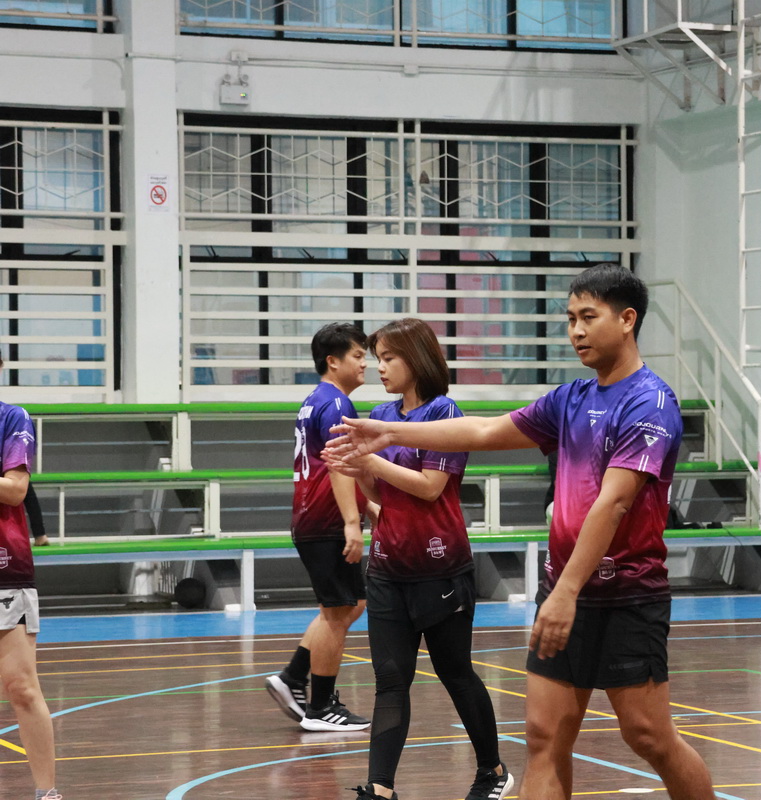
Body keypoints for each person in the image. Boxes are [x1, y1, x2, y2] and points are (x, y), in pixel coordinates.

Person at [325, 264, 717, 800]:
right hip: (562, 593)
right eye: (570, 319)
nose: (576, 331)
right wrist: (391, 431)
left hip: (625, 596)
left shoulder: (650, 402)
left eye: (588, 317)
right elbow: (486, 429)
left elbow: (615, 502)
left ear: (627, 320)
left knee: (648, 735)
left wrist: (566, 593)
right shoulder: (570, 398)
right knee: (544, 738)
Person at [329, 318, 513, 800]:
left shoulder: (443, 412)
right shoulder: (380, 414)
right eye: (378, 358)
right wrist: (357, 469)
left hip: (441, 570)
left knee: (456, 673)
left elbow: (431, 488)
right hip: (387, 570)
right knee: (390, 681)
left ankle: (492, 770)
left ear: (417, 358)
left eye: (389, 358)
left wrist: (372, 459)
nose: (380, 367)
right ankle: (381, 788)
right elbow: (380, 495)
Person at [265, 322, 371, 732]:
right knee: (337, 612)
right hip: (325, 522)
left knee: (348, 605)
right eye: (358, 356)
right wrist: (352, 522)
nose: (365, 364)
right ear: (333, 361)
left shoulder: (315, 400)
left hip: (312, 518)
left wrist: (368, 507)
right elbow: (338, 465)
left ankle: (293, 676)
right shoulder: (338, 404)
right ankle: (321, 706)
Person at [0, 363, 63, 800]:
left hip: (7, 569)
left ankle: (47, 793)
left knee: (21, 687)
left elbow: (15, 489)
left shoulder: (12, 418)